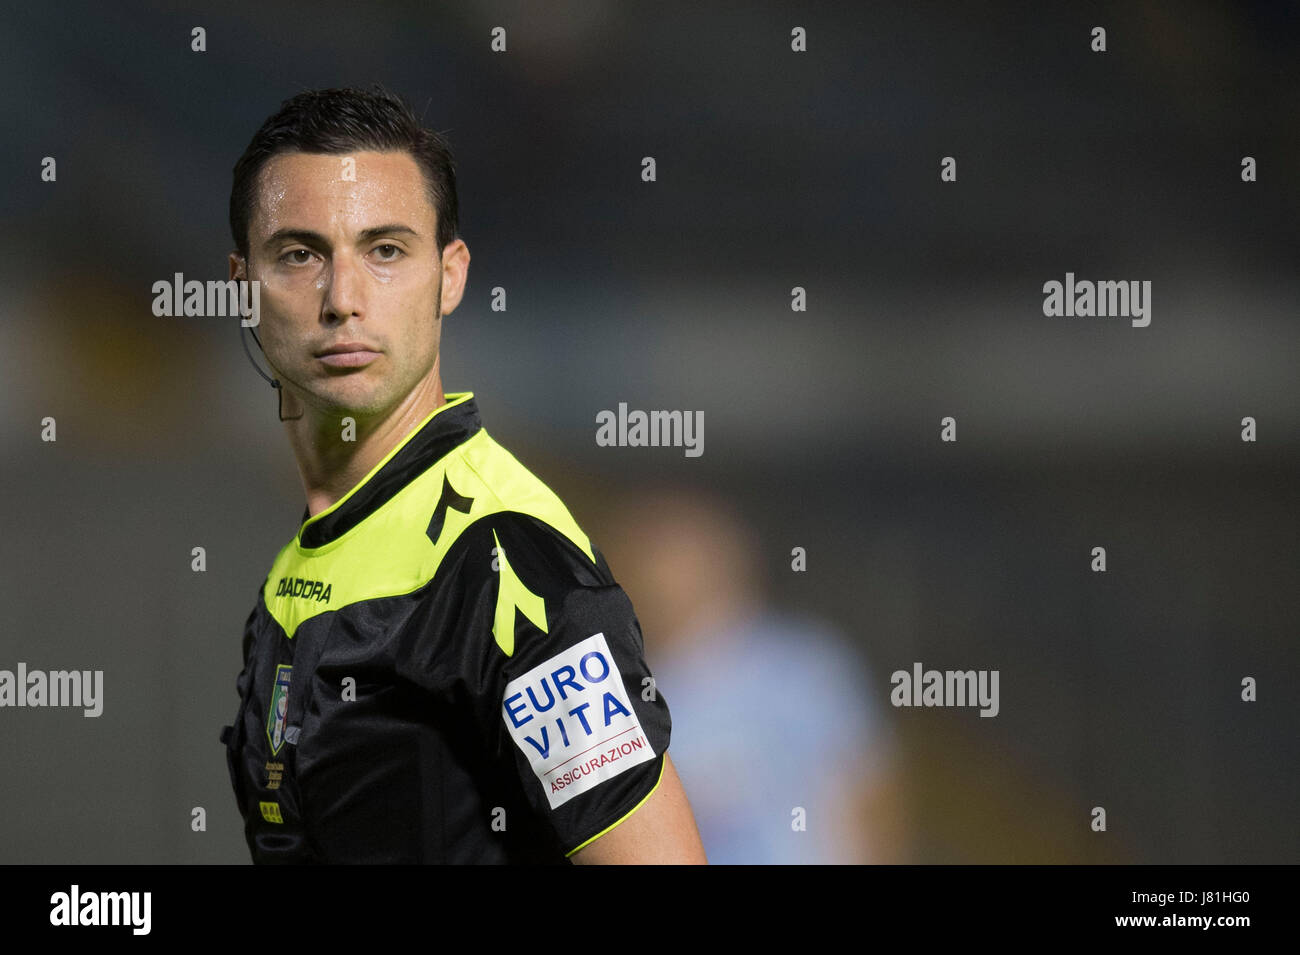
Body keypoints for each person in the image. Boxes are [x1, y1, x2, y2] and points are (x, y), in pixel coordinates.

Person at [218, 86, 705, 864]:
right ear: (242, 285)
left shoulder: (504, 556)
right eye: (301, 254)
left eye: (385, 251)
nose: (343, 300)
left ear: (450, 276)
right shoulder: (310, 559)